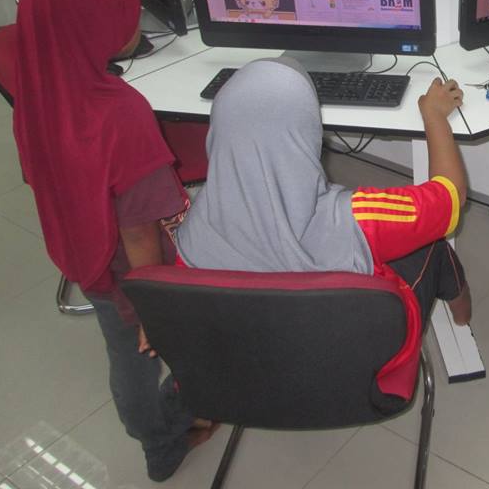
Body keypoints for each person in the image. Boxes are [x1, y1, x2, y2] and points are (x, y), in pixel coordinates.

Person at [11, 0, 215, 482]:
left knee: (121, 348)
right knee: (139, 352)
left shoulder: (40, 87)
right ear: (94, 22)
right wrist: (153, 306)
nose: (136, 17)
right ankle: (164, 441)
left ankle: (157, 430)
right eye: (125, 8)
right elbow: (141, 233)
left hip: (83, 251)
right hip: (132, 271)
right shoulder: (121, 115)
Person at [174, 57, 472, 350]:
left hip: (247, 360)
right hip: (357, 356)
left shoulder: (193, 230)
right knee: (432, 242)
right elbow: (452, 195)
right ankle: (462, 320)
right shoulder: (358, 219)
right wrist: (434, 115)